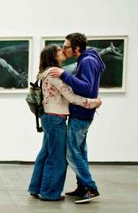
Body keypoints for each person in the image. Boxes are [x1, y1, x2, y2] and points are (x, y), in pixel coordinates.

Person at [28, 44, 101, 201]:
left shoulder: (43, 73)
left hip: (48, 117)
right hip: (56, 118)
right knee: (57, 157)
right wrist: (94, 102)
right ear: (53, 56)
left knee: (45, 154)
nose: (63, 51)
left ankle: (35, 187)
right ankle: (49, 193)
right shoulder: (54, 74)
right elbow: (71, 97)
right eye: (59, 51)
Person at [49, 33, 106, 203]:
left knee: (72, 153)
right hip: (82, 113)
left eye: (66, 46)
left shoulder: (87, 61)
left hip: (81, 114)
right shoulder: (87, 60)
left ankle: (90, 188)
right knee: (80, 151)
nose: (64, 49)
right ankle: (82, 187)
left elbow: (87, 89)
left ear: (77, 48)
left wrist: (64, 75)